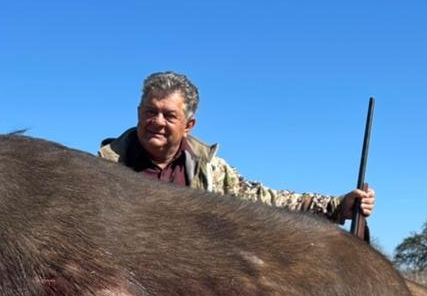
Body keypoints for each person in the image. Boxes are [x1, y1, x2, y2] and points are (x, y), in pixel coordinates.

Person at [98, 71, 376, 224]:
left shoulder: (211, 171)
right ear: (138, 112)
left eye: (169, 115)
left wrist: (337, 206)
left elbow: (269, 201)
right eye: (150, 112)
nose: (156, 122)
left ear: (189, 125)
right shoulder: (104, 169)